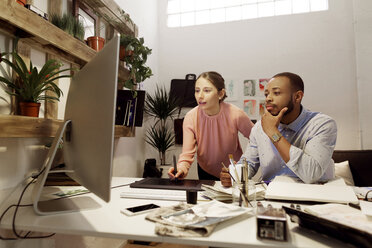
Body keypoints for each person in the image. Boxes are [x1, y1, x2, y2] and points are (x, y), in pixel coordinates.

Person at [221, 72, 337, 186]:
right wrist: (234, 174)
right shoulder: (259, 128)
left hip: (313, 197)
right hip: (271, 196)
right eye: (266, 94)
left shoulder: (322, 124)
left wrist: (273, 133)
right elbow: (249, 164)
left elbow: (311, 174)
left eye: (276, 93)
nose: (268, 99)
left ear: (297, 97)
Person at [168, 71, 254, 180]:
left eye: (207, 91)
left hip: (233, 170)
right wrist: (181, 169)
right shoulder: (191, 117)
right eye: (197, 91)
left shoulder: (236, 114)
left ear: (220, 94)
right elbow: (187, 154)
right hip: (205, 170)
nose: (200, 96)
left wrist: (246, 161)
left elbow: (257, 139)